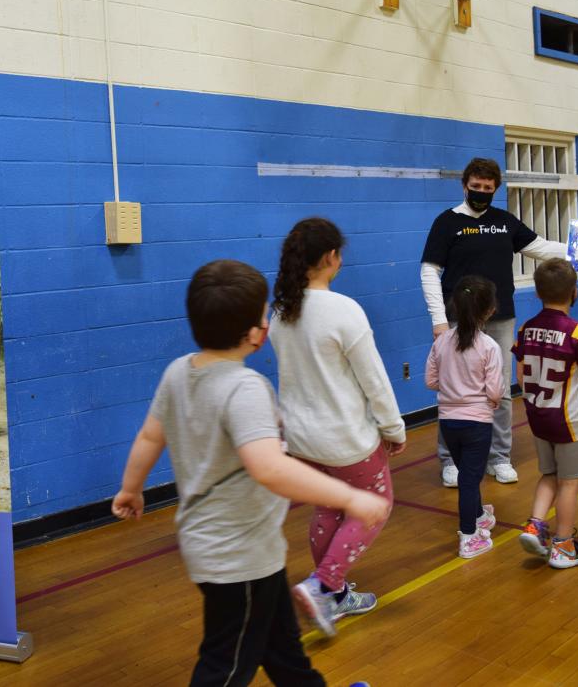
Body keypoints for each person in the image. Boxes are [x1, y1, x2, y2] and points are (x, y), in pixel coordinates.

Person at [112, 259, 389, 686]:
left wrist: (131, 488)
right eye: (263, 314)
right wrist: (350, 498)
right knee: (226, 664)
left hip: (243, 548)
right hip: (235, 555)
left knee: (282, 647)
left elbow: (150, 436)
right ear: (255, 335)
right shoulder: (245, 390)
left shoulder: (177, 372)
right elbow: (269, 468)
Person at [420, 157, 578, 487]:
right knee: (455, 390)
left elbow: (541, 248)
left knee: (499, 389)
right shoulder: (447, 222)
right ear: (464, 185)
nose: (481, 192)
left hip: (500, 316)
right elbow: (429, 270)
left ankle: (498, 457)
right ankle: (450, 459)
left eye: (487, 187)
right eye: (475, 186)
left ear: (496, 188)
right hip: (458, 319)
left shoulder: (505, 221)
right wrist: (439, 320)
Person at [268, 218, 406, 637]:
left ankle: (337, 593)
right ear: (330, 257)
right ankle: (324, 582)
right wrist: (394, 428)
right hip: (346, 439)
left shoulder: (282, 312)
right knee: (374, 507)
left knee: (328, 507)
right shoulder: (343, 310)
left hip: (302, 440)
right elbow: (375, 380)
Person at [513, 259, 578, 569]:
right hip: (571, 421)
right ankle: (563, 545)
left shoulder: (525, 329)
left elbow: (522, 376)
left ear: (538, 293)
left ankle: (535, 525)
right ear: (574, 292)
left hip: (539, 417)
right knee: (569, 482)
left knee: (548, 474)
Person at [425, 275, 504, 558]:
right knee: (470, 480)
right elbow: (495, 390)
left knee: (468, 474)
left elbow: (431, 381)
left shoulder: (442, 342)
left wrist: (452, 386)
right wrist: (489, 399)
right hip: (477, 423)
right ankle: (469, 536)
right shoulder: (489, 347)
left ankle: (480, 515)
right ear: (489, 310)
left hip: (448, 422)